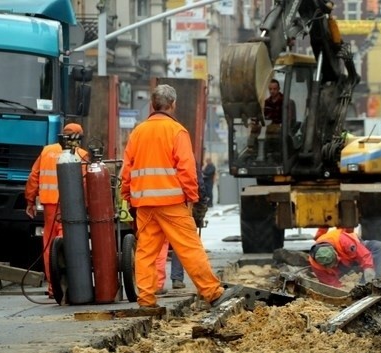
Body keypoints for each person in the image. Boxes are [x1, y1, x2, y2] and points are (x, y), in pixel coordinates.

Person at [120, 84, 242, 309]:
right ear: (173, 105)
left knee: (146, 252)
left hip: (145, 204)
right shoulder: (177, 131)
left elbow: (127, 169)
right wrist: (192, 197)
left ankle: (146, 299)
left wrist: (127, 195)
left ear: (152, 105)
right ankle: (212, 292)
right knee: (189, 247)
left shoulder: (137, 132)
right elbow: (186, 169)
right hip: (171, 204)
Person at [24, 123, 90, 298]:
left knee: (50, 245)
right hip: (71, 207)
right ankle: (70, 286)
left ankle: (53, 288)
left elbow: (33, 176)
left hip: (49, 207)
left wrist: (30, 201)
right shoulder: (81, 155)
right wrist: (88, 206)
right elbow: (85, 184)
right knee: (69, 242)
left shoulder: (46, 151)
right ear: (78, 137)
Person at [155, 165, 209, 294]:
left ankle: (156, 284)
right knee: (182, 243)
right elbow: (197, 184)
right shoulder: (183, 155)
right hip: (181, 206)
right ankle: (179, 279)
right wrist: (199, 208)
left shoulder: (159, 157)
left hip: (157, 204)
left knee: (159, 245)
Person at [308, 227, 381, 288]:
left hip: (354, 252)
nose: (334, 265)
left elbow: (364, 255)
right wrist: (343, 290)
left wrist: (369, 270)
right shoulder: (316, 265)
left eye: (335, 261)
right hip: (342, 268)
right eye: (331, 265)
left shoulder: (343, 241)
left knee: (379, 247)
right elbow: (331, 283)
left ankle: (366, 283)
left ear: (335, 251)